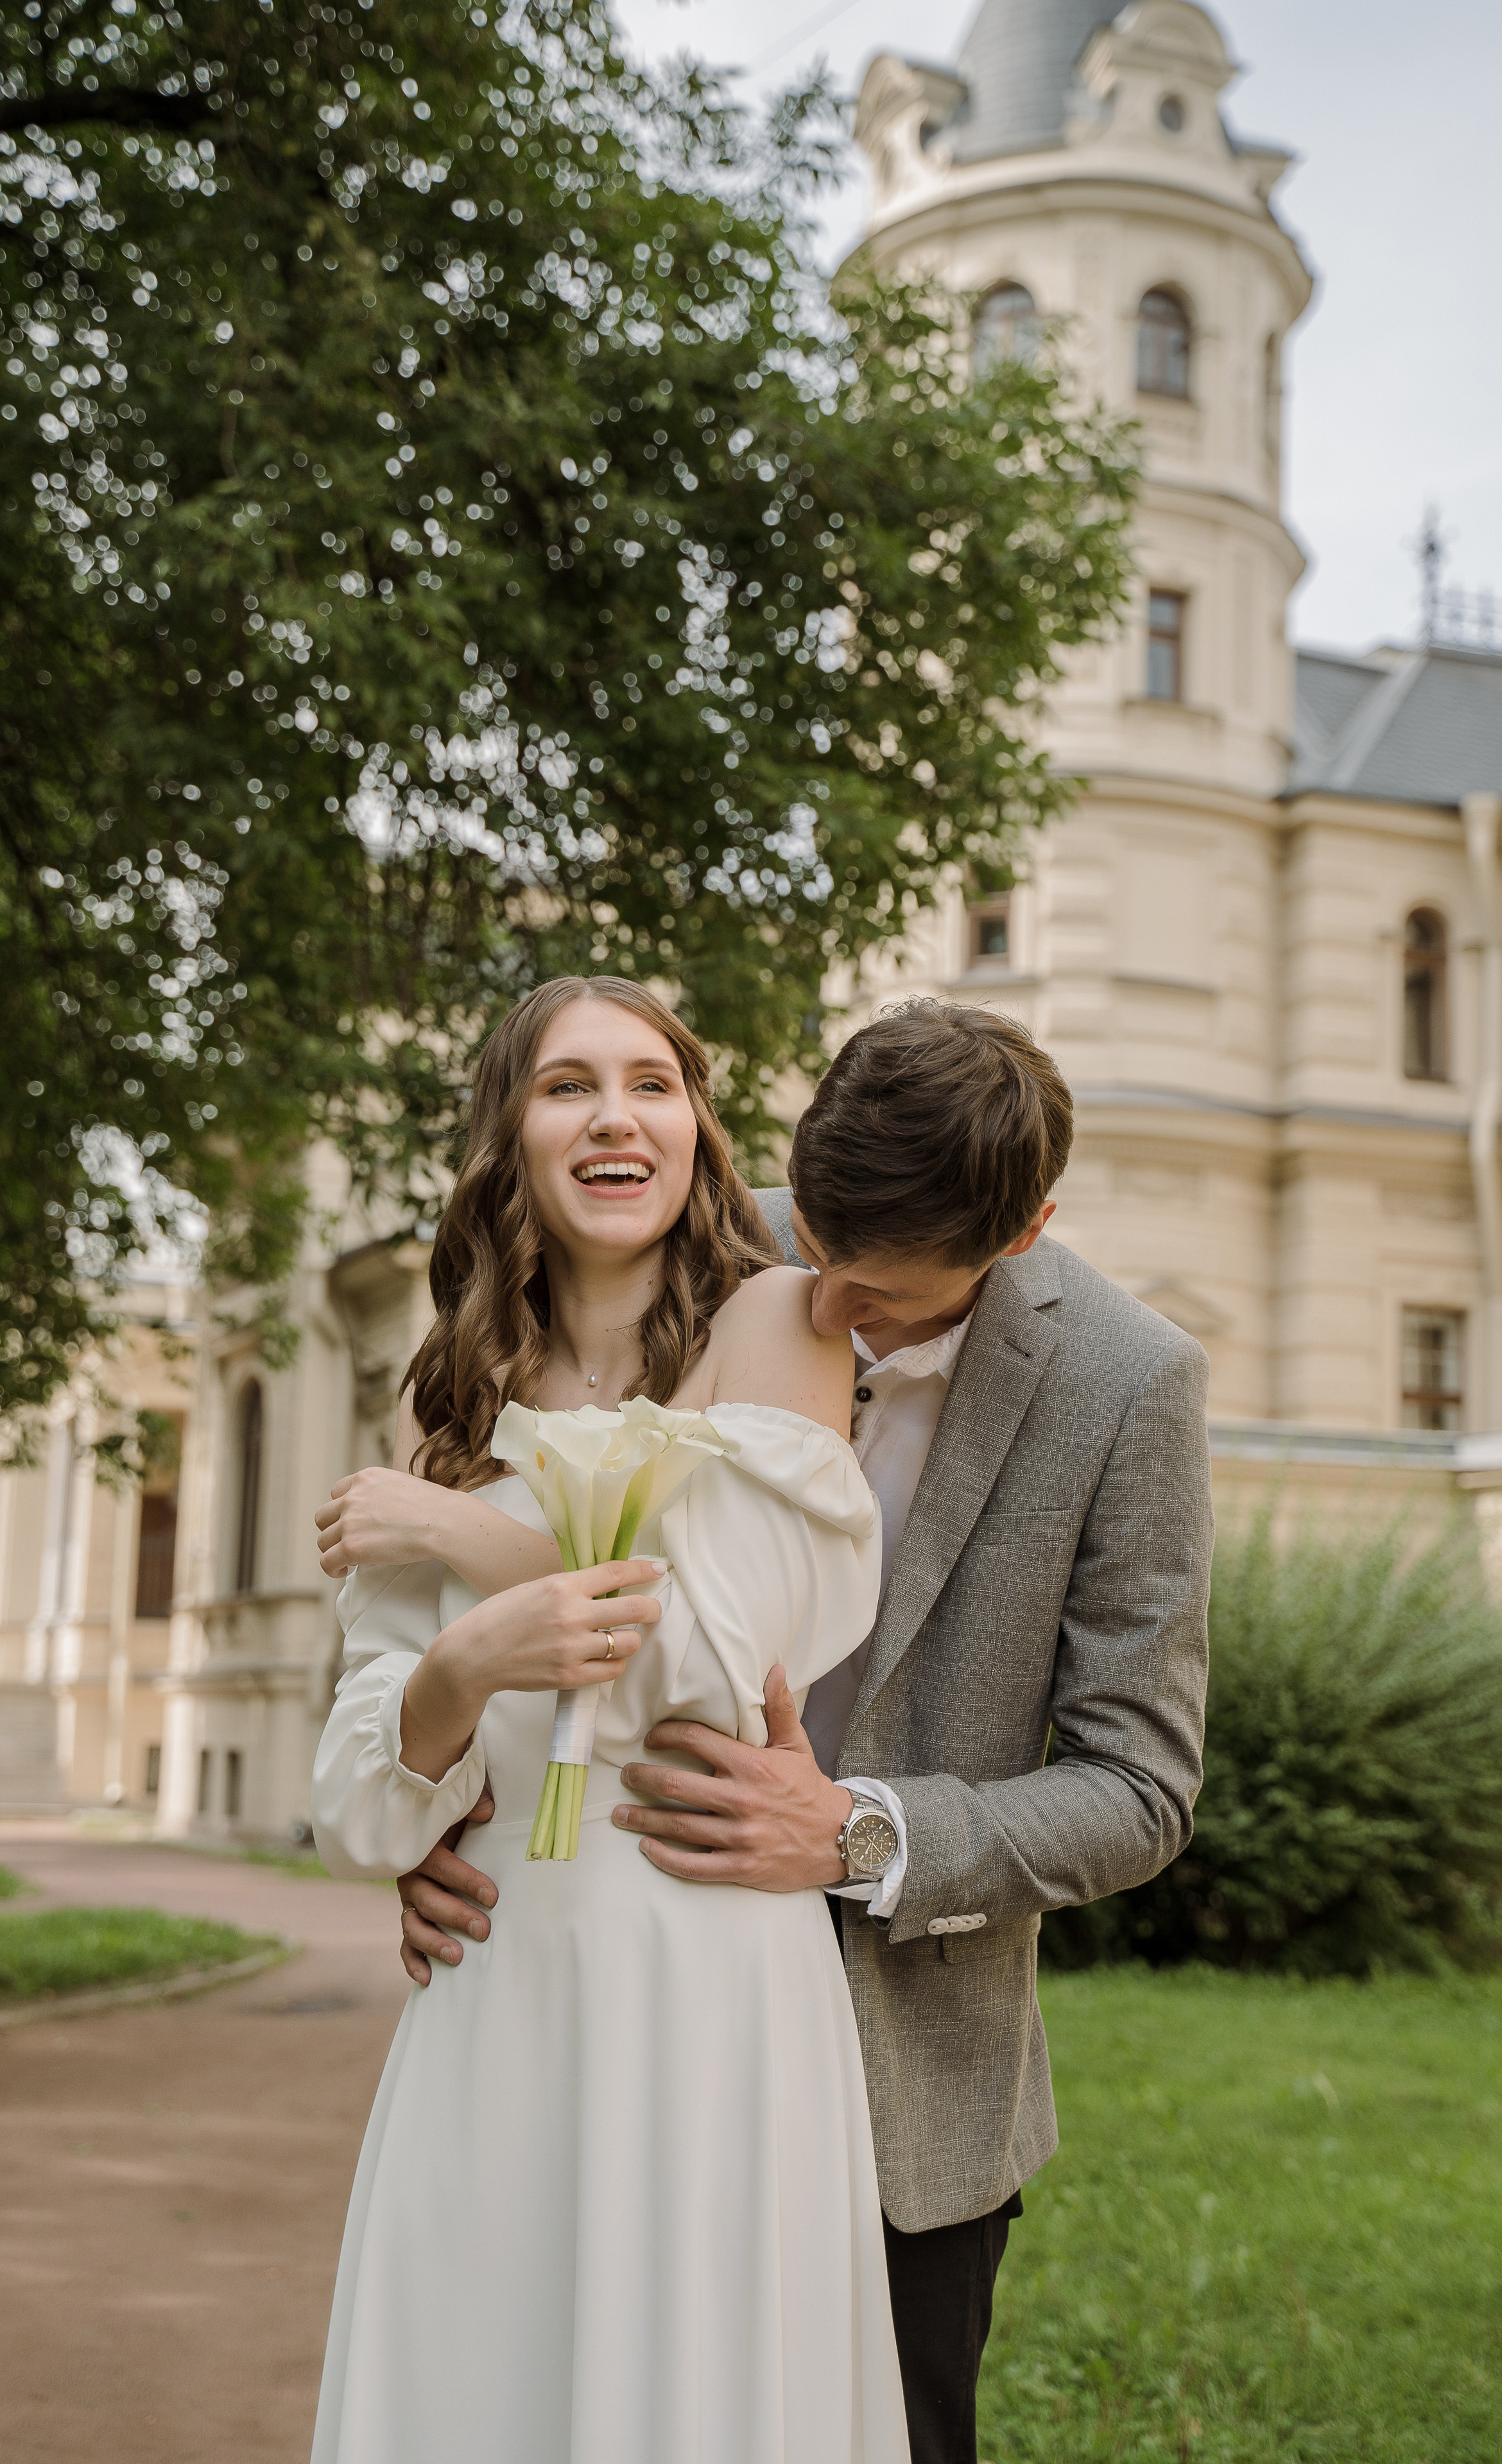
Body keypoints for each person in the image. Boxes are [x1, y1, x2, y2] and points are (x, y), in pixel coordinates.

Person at [377, 1002, 1213, 2464]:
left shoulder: (1127, 1384)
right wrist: (438, 1809)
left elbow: (1136, 1787)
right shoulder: (695, 1250)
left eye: (876, 1295)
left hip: (901, 2082)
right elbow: (513, 1562)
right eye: (812, 1246)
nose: (824, 1307)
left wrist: (854, 1832)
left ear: (1021, 1238)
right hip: (600, 2014)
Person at [306, 975, 911, 2463]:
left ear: (697, 1129)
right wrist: (453, 1682)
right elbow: (362, 1804)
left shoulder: (777, 1323)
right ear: (510, 1135)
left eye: (652, 1082)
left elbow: (712, 1664)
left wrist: (468, 1551)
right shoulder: (442, 1398)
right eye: (567, 1084)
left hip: (704, 1960)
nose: (614, 1115)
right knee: (481, 2385)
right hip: (498, 1970)